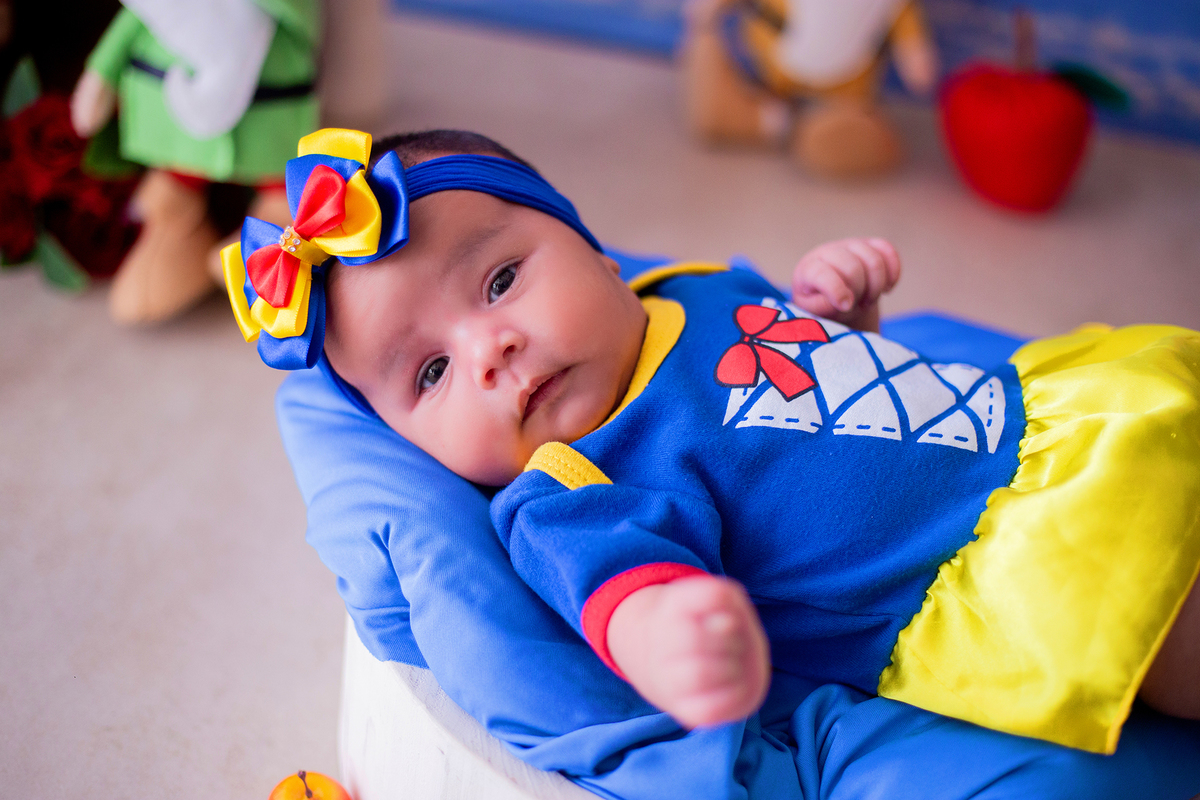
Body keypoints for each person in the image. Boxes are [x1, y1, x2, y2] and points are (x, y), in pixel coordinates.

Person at [223, 127, 1200, 756]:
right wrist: (671, 640)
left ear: (591, 247)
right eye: (431, 373)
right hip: (1003, 566)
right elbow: (625, 598)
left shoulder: (686, 288)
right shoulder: (565, 492)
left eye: (501, 281)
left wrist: (844, 314)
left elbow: (822, 383)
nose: (490, 351)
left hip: (1044, 423)